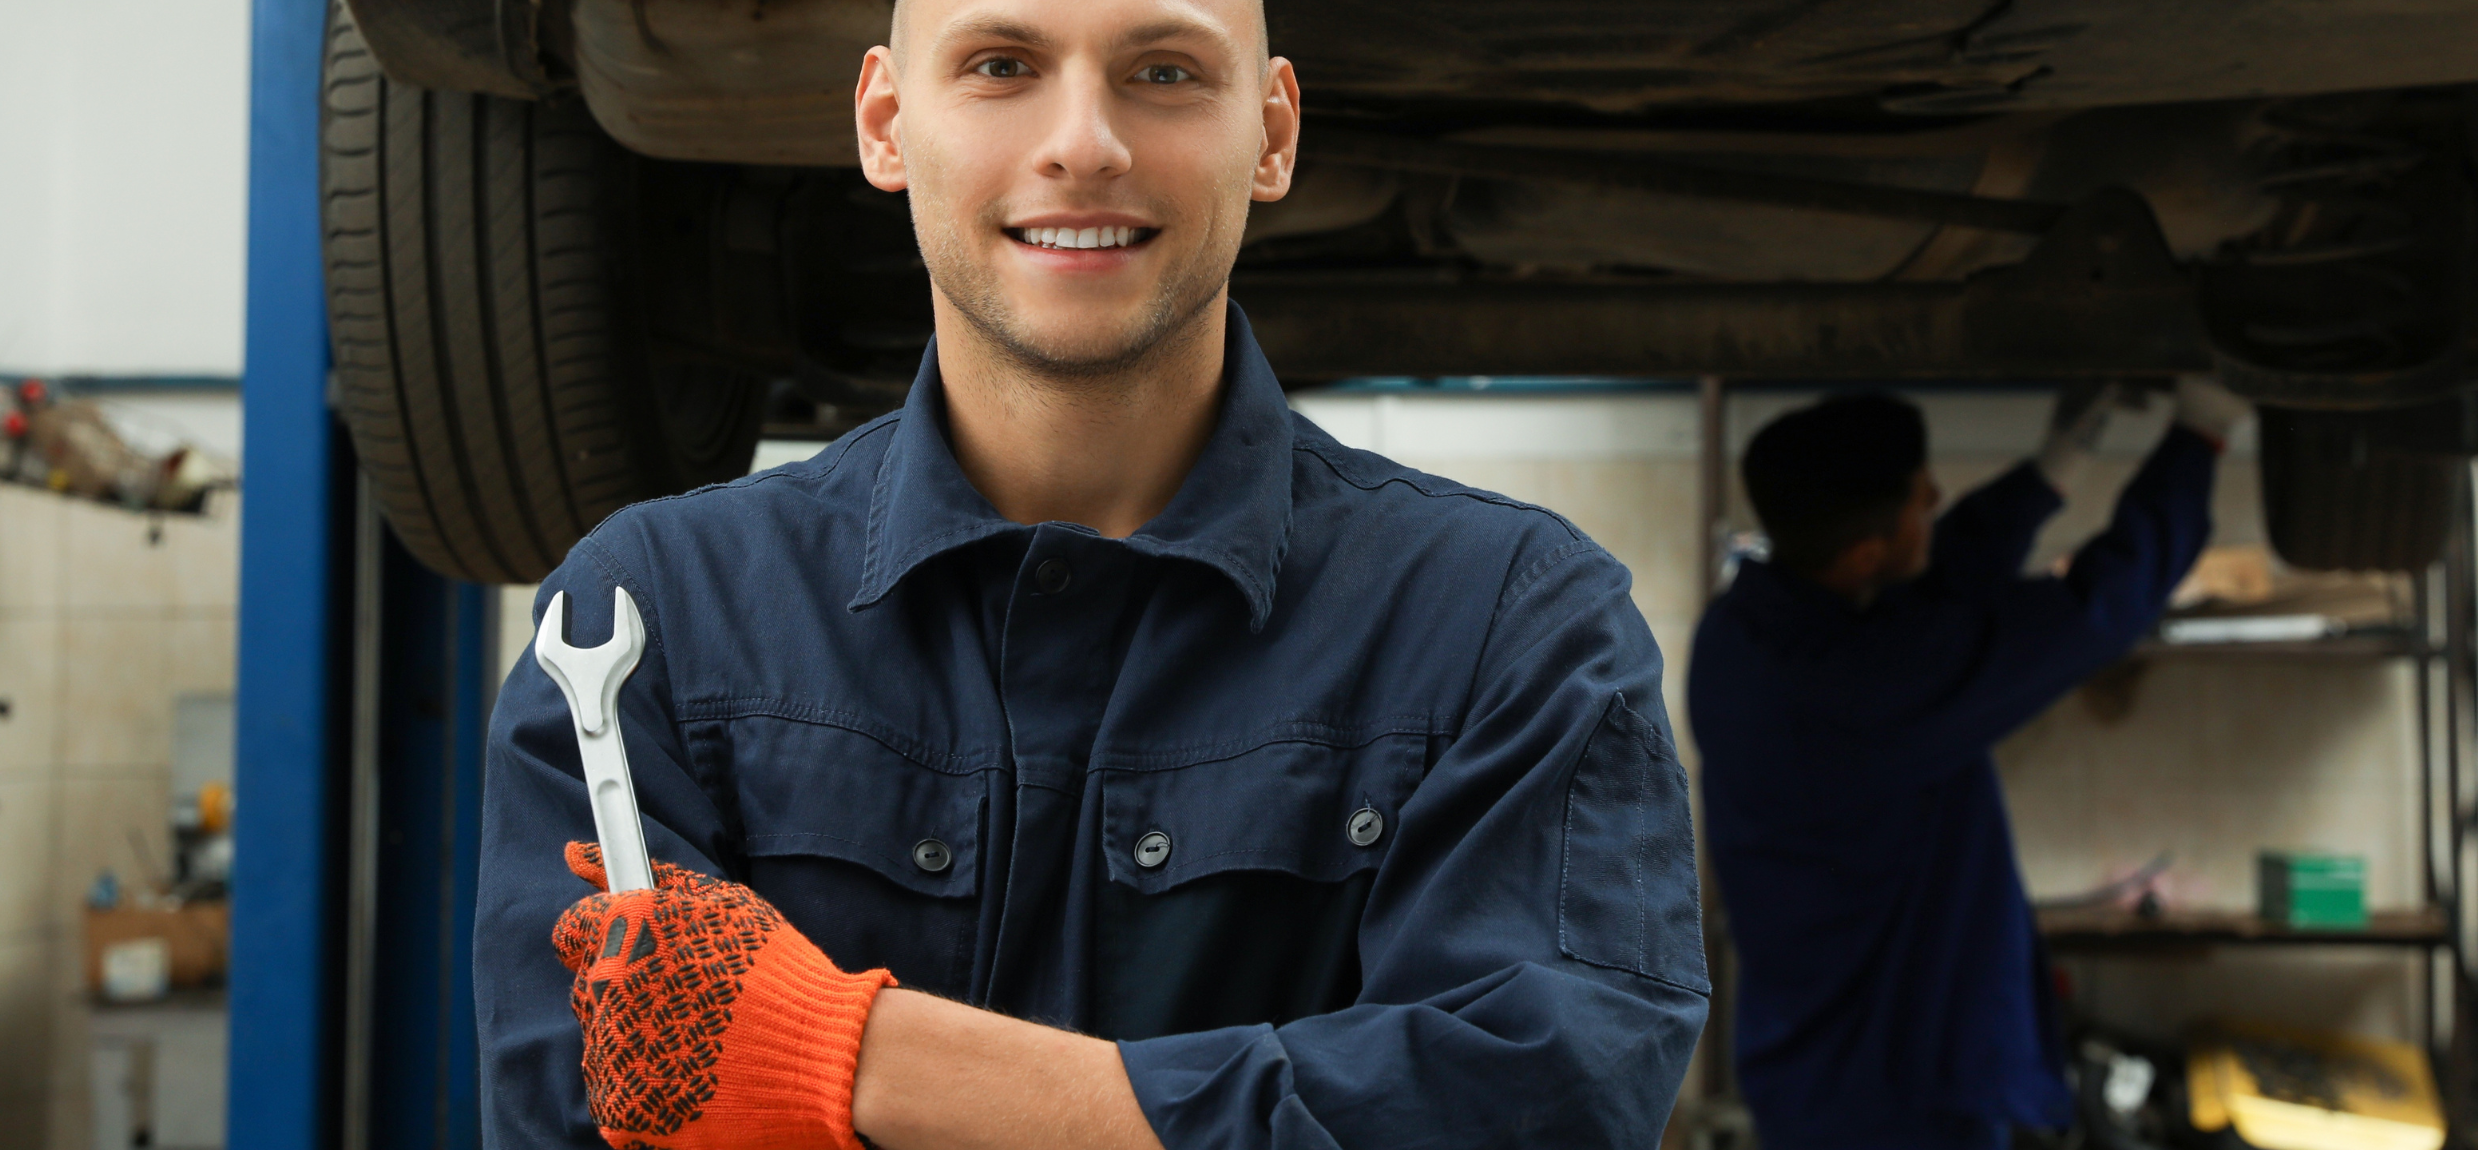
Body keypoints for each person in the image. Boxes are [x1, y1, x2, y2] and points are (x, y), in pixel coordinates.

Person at [470, 0, 1709, 1147]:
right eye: (1001, 66)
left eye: (1162, 73)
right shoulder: (657, 617)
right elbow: (580, 1114)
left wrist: (860, 1056)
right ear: (887, 122)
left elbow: (1537, 1106)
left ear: (1270, 135)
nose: (1084, 143)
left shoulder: (1507, 623)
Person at [1686, 381, 2249, 1150]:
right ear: (1863, 551)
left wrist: (2054, 467)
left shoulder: (1745, 632)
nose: (1938, 499)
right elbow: (2096, 608)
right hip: (1897, 1087)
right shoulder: (1870, 688)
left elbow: (1932, 581)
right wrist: (2202, 431)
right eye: (1924, 498)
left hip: (1812, 1065)